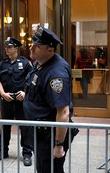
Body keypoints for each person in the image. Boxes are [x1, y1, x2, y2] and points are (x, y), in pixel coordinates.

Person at [23, 26, 77, 173]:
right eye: (32, 43)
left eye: (37, 46)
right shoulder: (38, 63)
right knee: (42, 168)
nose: (31, 48)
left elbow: (63, 112)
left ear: (50, 50)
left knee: (51, 170)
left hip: (50, 136)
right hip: (39, 133)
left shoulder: (56, 73)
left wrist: (59, 145)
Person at [0, 37, 33, 166]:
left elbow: (32, 80)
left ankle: (27, 154)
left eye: (9, 47)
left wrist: (25, 93)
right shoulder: (2, 64)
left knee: (25, 127)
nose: (7, 49)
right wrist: (3, 94)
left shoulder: (26, 63)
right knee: (5, 126)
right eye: (6, 47)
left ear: (16, 48)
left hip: (21, 101)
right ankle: (2, 151)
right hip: (7, 100)